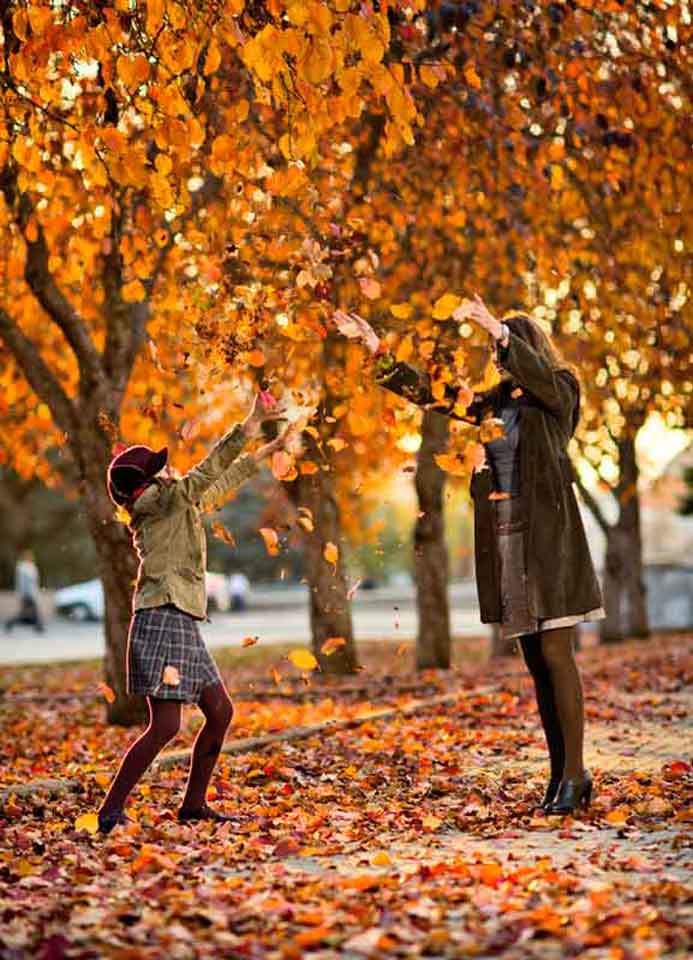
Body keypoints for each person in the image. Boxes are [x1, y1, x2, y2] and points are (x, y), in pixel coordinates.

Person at [332, 298, 604, 815]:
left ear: (528, 348)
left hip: (550, 544)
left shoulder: (559, 390)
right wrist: (378, 352)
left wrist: (500, 329)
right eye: (495, 350)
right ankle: (559, 774)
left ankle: (575, 774)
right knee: (536, 664)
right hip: (507, 542)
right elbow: (435, 397)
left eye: (506, 348)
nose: (498, 358)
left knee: (555, 655)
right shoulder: (494, 404)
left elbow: (543, 379)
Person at [97, 393, 296, 834]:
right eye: (157, 469)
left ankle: (193, 805)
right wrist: (248, 424)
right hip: (162, 617)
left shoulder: (173, 502)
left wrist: (263, 450)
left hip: (179, 619)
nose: (166, 470)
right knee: (165, 725)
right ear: (140, 487)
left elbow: (216, 486)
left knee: (220, 711)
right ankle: (110, 809)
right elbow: (200, 477)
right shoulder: (153, 504)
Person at [5, 549, 44, 634]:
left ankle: (38, 627)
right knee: (30, 613)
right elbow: (24, 584)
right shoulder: (24, 568)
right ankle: (39, 627)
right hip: (28, 594)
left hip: (30, 594)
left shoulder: (29, 567)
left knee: (29, 613)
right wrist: (28, 594)